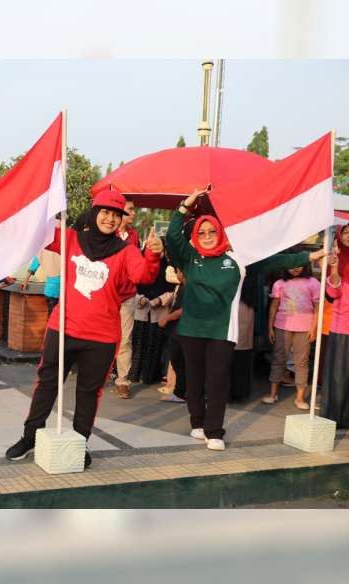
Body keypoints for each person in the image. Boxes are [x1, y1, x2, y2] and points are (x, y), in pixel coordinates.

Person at [6, 191, 163, 465]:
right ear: (94, 213)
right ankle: (30, 437)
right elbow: (39, 234)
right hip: (63, 329)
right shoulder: (71, 239)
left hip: (102, 337)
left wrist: (152, 254)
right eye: (105, 212)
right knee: (47, 385)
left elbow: (143, 275)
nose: (110, 219)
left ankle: (79, 443)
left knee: (89, 393)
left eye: (116, 215)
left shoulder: (126, 250)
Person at [166, 189, 324, 451]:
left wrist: (308, 257)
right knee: (194, 382)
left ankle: (214, 431)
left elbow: (274, 261)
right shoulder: (190, 258)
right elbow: (173, 235)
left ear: (221, 233)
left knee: (217, 382)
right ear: (196, 236)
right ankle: (197, 422)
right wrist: (185, 205)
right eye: (202, 233)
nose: (207, 236)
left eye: (212, 231)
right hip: (191, 330)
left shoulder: (237, 259)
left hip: (222, 333)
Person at [262, 263, 320, 409]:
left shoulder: (313, 282)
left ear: (305, 266)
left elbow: (317, 307)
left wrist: (314, 328)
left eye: (299, 265)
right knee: (278, 359)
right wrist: (270, 327)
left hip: (305, 328)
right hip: (282, 326)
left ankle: (300, 398)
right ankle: (272, 394)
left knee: (301, 362)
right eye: (291, 265)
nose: (295, 269)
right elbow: (274, 306)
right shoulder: (279, 283)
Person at [128, 247, 174, 385]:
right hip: (140, 311)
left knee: (154, 345)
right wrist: (140, 299)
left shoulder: (167, 268)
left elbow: (172, 290)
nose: (156, 253)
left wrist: (160, 300)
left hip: (158, 312)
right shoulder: (140, 266)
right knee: (137, 343)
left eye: (160, 249)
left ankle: (149, 376)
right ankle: (133, 374)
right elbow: (131, 286)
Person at [321, 226, 349, 428]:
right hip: (342, 328)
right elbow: (333, 294)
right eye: (346, 232)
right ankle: (335, 418)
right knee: (338, 377)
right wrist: (334, 268)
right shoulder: (335, 260)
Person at [114, 199, 140, 399]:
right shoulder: (106, 232)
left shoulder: (134, 235)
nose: (133, 213)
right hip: (106, 294)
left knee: (125, 339)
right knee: (102, 337)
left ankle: (122, 380)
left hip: (128, 294)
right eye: (130, 210)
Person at [158, 267, 186, 403]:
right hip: (176, 329)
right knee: (177, 361)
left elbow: (183, 309)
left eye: (179, 271)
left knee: (180, 361)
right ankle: (180, 391)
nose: (177, 274)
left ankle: (181, 392)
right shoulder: (181, 287)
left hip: (182, 329)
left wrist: (167, 318)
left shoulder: (189, 288)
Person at [22, 249, 61, 317]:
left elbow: (32, 267)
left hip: (50, 289)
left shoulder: (42, 252)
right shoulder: (61, 249)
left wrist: (25, 281)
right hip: (60, 289)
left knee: (51, 315)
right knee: (56, 316)